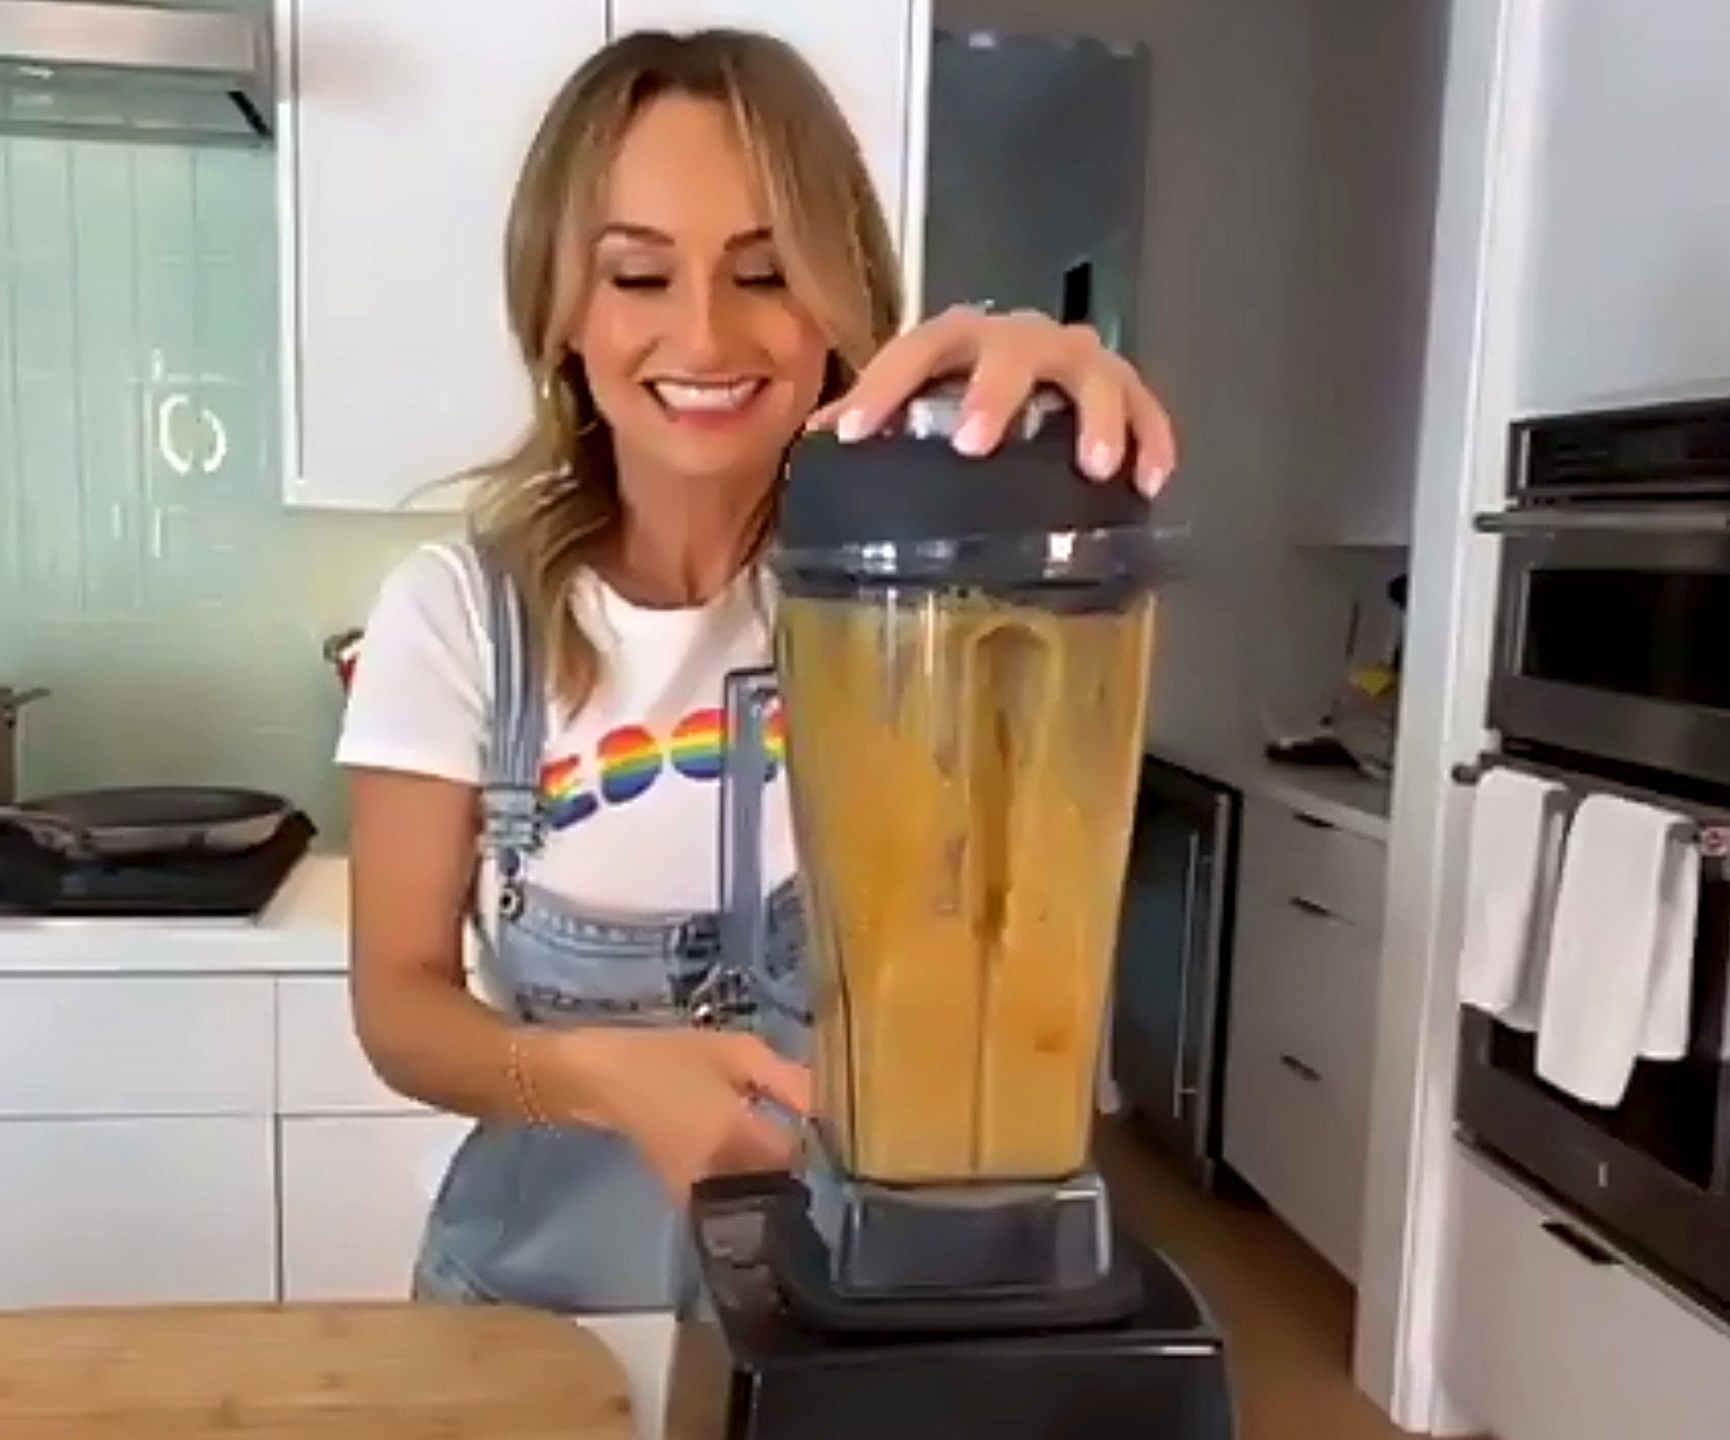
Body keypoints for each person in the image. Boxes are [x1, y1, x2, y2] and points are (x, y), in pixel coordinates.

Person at [334, 26, 1180, 1313]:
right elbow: (400, 1004)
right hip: (540, 1321)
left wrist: (1056, 445)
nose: (705, 333)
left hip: (846, 1314)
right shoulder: (459, 618)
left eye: (765, 270)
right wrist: (604, 1077)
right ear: (560, 305)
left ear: (839, 293)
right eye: (636, 276)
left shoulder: (934, 610)